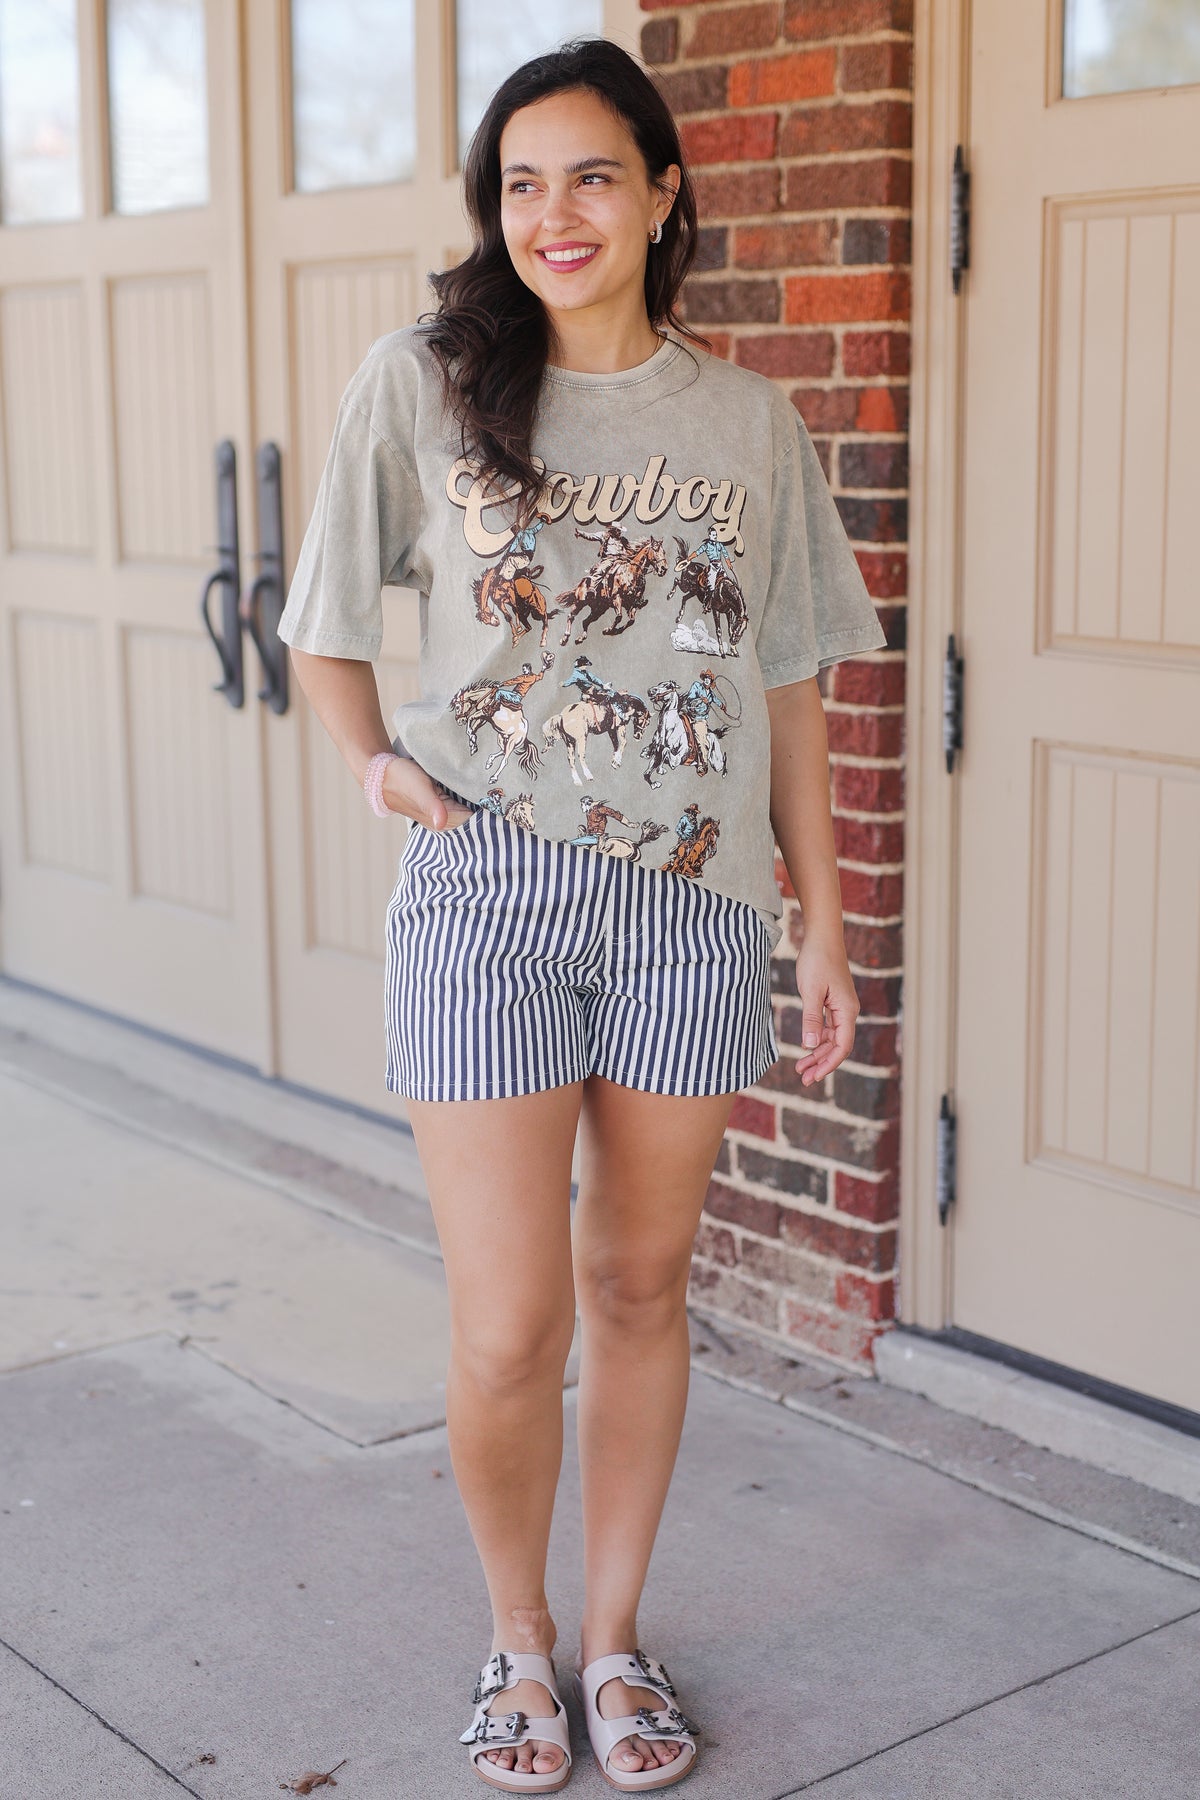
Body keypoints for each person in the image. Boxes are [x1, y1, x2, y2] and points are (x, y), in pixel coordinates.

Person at [275, 36, 887, 1794]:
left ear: (664, 192)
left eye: (594, 176)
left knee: (636, 1283)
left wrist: (827, 924)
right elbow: (323, 615)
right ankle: (515, 1640)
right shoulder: (425, 382)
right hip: (491, 902)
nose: (556, 214)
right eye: (521, 184)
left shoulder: (746, 419)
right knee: (505, 1322)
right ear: (498, 211)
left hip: (696, 909)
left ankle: (614, 1642)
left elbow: (788, 691)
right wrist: (381, 770)